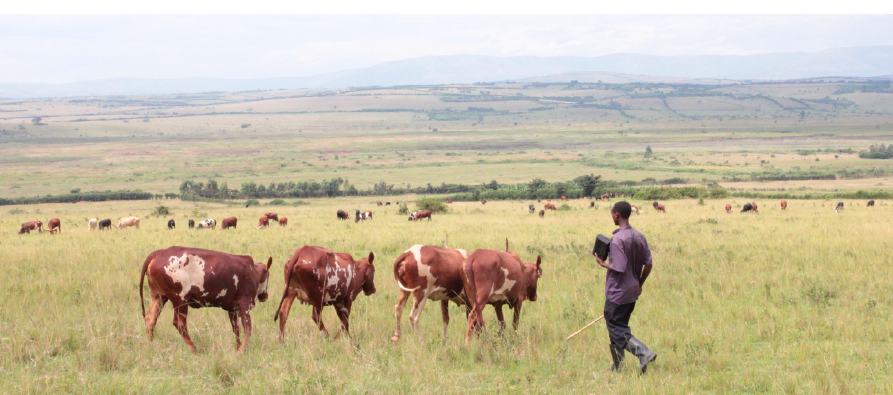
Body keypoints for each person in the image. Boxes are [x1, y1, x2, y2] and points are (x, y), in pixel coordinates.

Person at [593, 201, 657, 374]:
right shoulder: (639, 235)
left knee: (615, 327)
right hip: (632, 291)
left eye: (612, 214)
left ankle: (644, 353)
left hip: (617, 292)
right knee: (618, 325)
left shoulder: (617, 240)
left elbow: (619, 267)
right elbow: (649, 264)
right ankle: (618, 364)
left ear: (616, 215)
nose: (611, 216)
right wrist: (640, 283)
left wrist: (603, 264)